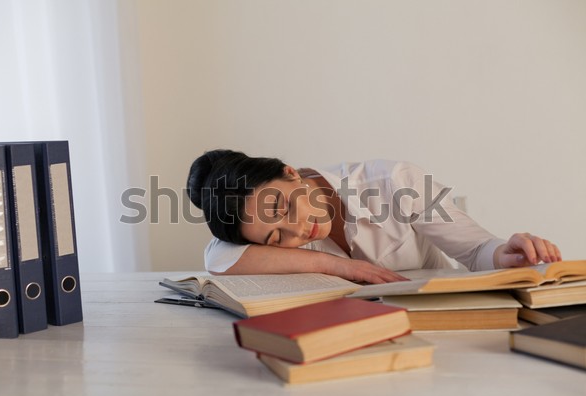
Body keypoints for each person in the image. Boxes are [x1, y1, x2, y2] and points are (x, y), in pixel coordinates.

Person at [187, 149, 562, 284]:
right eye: (275, 238)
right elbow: (218, 258)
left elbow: (477, 249)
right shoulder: (283, 238)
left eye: (281, 207)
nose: (297, 231)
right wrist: (340, 267)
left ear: (289, 172)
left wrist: (504, 253)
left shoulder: (394, 181)